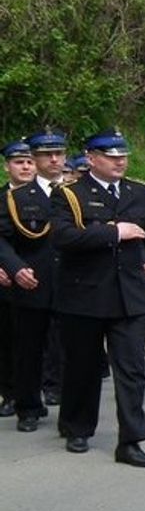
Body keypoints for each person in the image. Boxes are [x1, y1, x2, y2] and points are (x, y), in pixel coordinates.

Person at [51, 129, 145, 466]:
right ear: (91, 158)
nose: (120, 161)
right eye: (111, 156)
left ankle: (131, 440)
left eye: (123, 156)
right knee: (83, 367)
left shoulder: (138, 193)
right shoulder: (71, 195)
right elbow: (63, 237)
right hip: (84, 296)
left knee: (132, 370)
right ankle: (78, 427)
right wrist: (114, 231)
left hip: (130, 296)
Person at [0, 130, 68, 432]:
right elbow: (2, 239)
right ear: (37, 159)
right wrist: (15, 268)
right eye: (46, 155)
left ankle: (71, 410)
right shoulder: (16, 198)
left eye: (58, 154)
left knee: (71, 350)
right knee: (28, 348)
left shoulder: (77, 192)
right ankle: (28, 406)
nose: (53, 160)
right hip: (32, 283)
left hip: (73, 283)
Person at [0, 140, 37, 419]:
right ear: (7, 166)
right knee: (9, 341)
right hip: (7, 281)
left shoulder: (52, 198)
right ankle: (11, 394)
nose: (25, 167)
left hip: (42, 278)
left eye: (29, 161)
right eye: (18, 162)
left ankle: (45, 389)